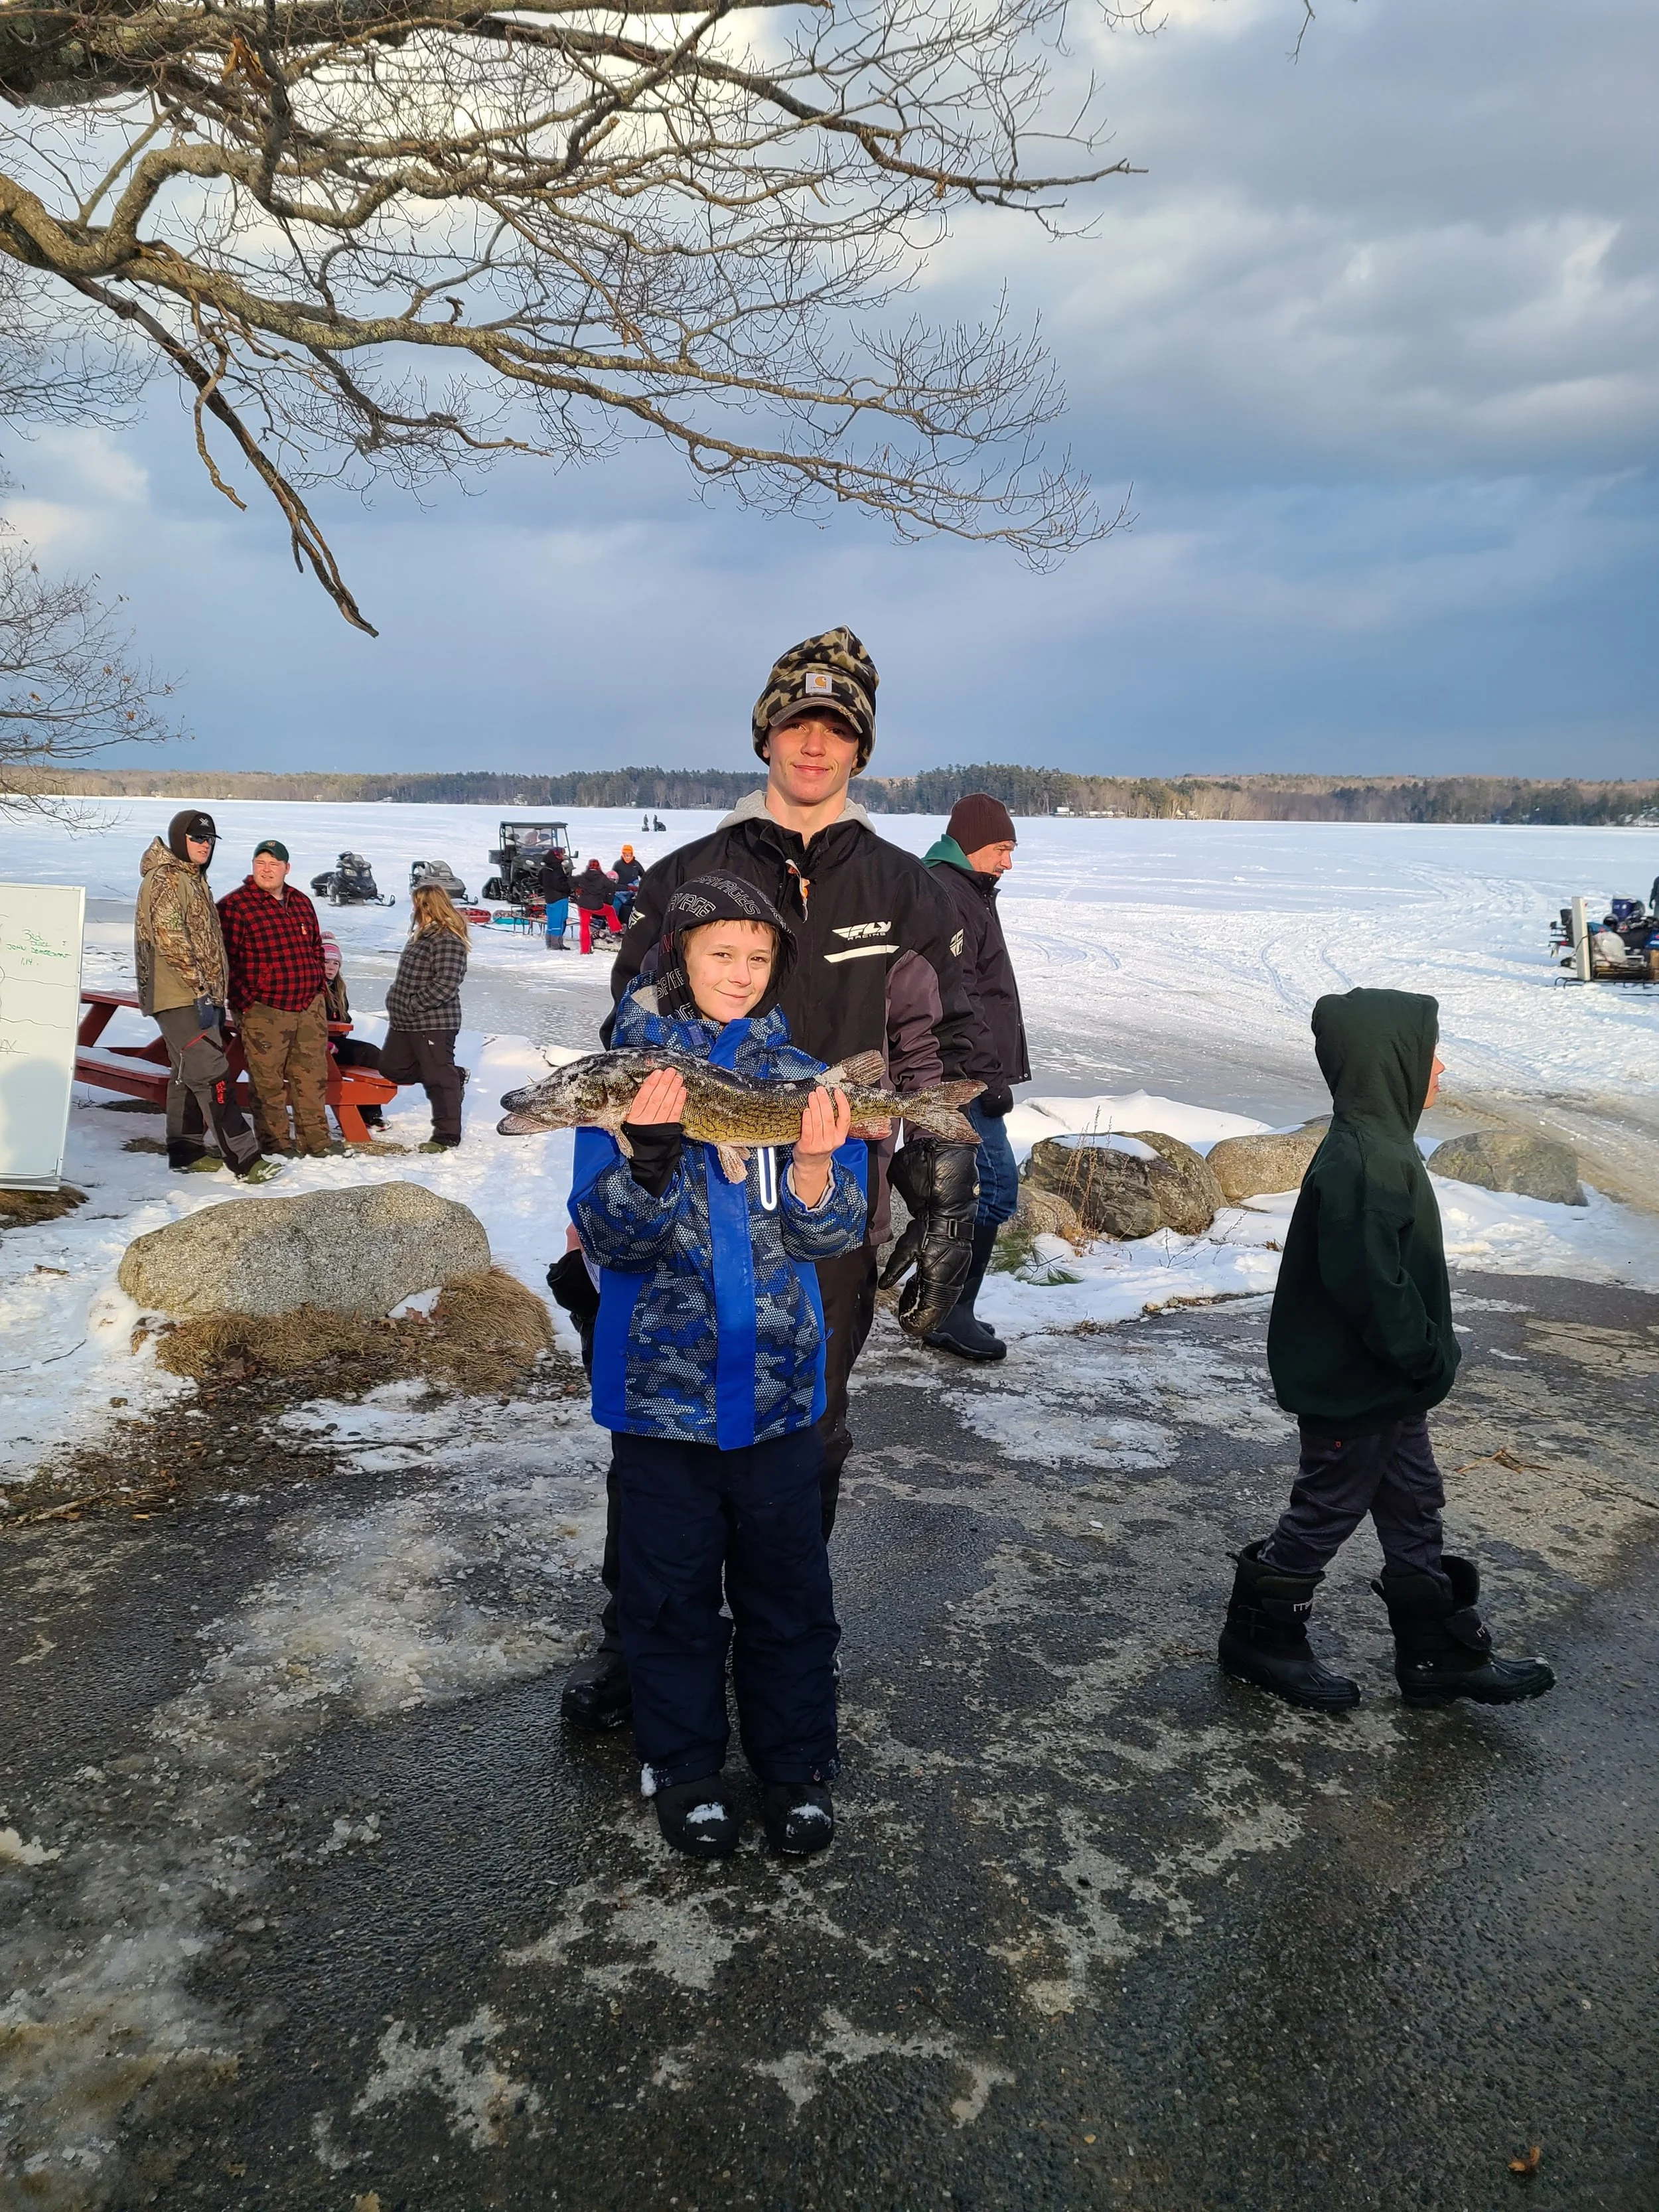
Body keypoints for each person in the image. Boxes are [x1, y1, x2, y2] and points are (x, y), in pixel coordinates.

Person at [558, 625, 976, 1735]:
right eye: (797, 721)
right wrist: (621, 1165)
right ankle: (636, 1637)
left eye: (837, 729)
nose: (814, 744)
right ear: (766, 731)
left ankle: (769, 1627)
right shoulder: (686, 874)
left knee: (809, 1427)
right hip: (679, 1211)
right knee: (661, 1435)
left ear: (862, 749)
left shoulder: (914, 890)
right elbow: (625, 1029)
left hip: (818, 1210)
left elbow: (960, 1044)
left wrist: (942, 1188)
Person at [569, 875, 866, 1856]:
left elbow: (835, 1232)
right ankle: (685, 1764)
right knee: (668, 1594)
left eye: (757, 955)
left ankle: (795, 1764)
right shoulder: (620, 1082)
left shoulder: (807, 1079)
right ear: (679, 960)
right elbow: (608, 1240)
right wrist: (646, 1163)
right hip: (662, 1400)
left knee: (790, 1592)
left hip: (781, 1392)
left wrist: (820, 1167)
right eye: (718, 954)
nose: (739, 973)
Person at [1218, 988, 1556, 1714]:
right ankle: (1260, 1635)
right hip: (1358, 1379)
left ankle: (1436, 1652)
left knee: (1413, 1503)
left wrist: (1420, 1361)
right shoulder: (1364, 1160)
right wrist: (1423, 1354)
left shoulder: (1380, 1145)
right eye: (1427, 1054)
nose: (1439, 1070)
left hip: (1387, 1382)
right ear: (1388, 1062)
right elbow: (1371, 1285)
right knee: (1328, 1505)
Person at [922, 794, 1029, 1361]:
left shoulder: (968, 889)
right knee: (990, 1193)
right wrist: (990, 1078)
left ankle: (946, 1305)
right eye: (1002, 849)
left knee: (967, 1193)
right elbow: (958, 996)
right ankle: (947, 1312)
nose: (1008, 862)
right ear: (970, 844)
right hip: (962, 1076)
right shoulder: (950, 893)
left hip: (965, 1072)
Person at [133, 811, 277, 1183]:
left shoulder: (193, 878)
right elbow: (172, 940)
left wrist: (213, 993)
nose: (204, 845)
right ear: (179, 838)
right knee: (213, 1073)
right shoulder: (167, 879)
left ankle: (186, 1151)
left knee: (186, 1073)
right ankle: (246, 1160)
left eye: (209, 839)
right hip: (180, 994)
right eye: (197, 838)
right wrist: (200, 991)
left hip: (199, 994)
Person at [217, 839, 333, 1159]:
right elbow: (225, 960)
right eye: (261, 863)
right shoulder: (235, 906)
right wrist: (245, 1000)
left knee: (311, 1079)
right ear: (253, 866)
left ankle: (318, 1144)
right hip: (264, 1009)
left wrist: (319, 986)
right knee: (267, 1084)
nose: (267, 870)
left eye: (274, 864)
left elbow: (316, 949)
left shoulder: (301, 902)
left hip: (308, 1005)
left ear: (287, 868)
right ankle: (276, 1147)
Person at [381, 883, 470, 1151]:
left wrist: (414, 1004)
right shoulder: (424, 935)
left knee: (438, 1079)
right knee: (391, 1068)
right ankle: (453, 1075)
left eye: (417, 905)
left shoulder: (447, 939)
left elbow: (447, 983)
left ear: (428, 906)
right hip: (405, 1021)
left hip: (433, 1021)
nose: (414, 911)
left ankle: (447, 1136)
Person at [320, 934, 386, 1130]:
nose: (331, 967)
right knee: (368, 1053)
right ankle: (368, 1113)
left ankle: (370, 1112)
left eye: (335, 963)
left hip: (335, 1042)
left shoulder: (339, 988)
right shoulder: (313, 986)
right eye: (326, 962)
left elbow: (344, 1015)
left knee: (372, 1054)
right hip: (317, 1044)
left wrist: (343, 1023)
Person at [573, 859, 621, 954]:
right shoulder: (602, 878)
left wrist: (577, 889)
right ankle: (616, 930)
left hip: (583, 905)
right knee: (610, 910)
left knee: (584, 927)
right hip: (595, 905)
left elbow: (571, 881)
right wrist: (629, 887)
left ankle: (585, 950)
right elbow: (614, 886)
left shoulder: (584, 876)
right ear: (598, 867)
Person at [540, 847, 571, 948]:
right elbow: (560, 884)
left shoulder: (545, 868)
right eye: (562, 854)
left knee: (551, 922)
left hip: (549, 898)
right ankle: (556, 944)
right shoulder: (557, 869)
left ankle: (550, 943)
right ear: (557, 856)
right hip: (560, 898)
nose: (563, 856)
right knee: (560, 921)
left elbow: (540, 881)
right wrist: (570, 887)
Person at [611, 843, 644, 928]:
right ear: (623, 854)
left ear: (632, 854)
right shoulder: (618, 864)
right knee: (616, 905)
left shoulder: (636, 864)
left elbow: (644, 876)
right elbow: (612, 877)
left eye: (629, 854)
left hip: (634, 891)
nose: (628, 856)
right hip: (620, 891)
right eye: (626, 854)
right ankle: (613, 926)